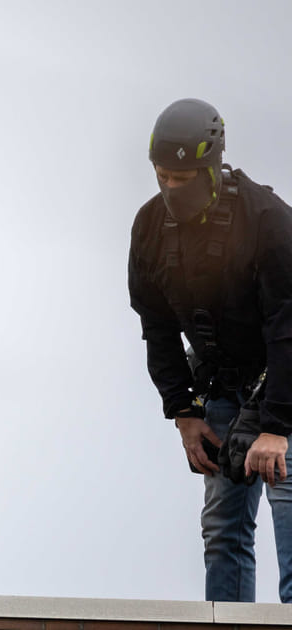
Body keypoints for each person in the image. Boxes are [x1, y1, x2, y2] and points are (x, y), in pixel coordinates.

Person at [129, 97, 292, 602]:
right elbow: (157, 328)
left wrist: (275, 428)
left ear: (212, 169)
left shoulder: (267, 220)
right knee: (222, 528)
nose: (171, 189)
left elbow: (288, 330)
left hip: (284, 380)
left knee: (288, 503)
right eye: (162, 177)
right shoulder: (150, 228)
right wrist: (183, 411)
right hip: (221, 386)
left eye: (182, 179)